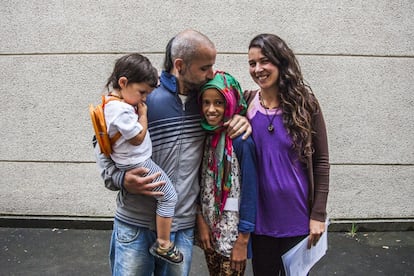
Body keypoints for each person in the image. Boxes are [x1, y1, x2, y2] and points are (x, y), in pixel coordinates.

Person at [93, 29, 251, 276]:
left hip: (181, 229)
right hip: (136, 225)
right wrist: (120, 179)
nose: (212, 73)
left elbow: (245, 99)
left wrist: (243, 118)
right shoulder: (144, 97)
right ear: (180, 65)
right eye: (204, 68)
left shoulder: (206, 103)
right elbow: (102, 139)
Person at [244, 33, 330, 275]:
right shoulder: (246, 104)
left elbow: (321, 163)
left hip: (299, 219)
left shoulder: (306, 105)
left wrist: (318, 215)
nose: (258, 69)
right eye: (252, 63)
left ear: (281, 62)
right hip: (261, 221)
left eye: (264, 61)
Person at [102, 53, 183, 264]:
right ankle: (164, 243)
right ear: (123, 82)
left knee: (163, 195)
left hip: (133, 161)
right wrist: (143, 116)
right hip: (136, 162)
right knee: (169, 196)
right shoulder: (120, 110)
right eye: (142, 92)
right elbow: (137, 138)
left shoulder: (115, 105)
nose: (144, 98)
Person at [196, 71, 258, 276]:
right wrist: (201, 221)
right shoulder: (205, 136)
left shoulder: (241, 141)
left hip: (233, 237)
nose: (211, 109)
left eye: (219, 103)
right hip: (209, 229)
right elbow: (198, 183)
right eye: (206, 102)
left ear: (231, 103)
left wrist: (243, 240)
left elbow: (250, 190)